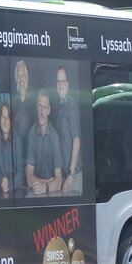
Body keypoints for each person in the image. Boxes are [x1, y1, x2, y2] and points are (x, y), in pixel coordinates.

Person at [25, 90, 64, 196]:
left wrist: (45, 188)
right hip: (36, 191)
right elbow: (29, 179)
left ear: (49, 110)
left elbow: (59, 181)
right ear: (37, 108)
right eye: (40, 106)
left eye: (45, 107)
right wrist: (48, 183)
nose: (42, 112)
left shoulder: (54, 136)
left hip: (52, 193)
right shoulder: (31, 134)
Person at [54, 67, 83, 195]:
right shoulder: (59, 107)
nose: (60, 85)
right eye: (58, 81)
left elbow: (76, 141)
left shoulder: (72, 106)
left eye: (63, 81)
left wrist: (70, 174)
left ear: (67, 84)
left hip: (73, 177)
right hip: (65, 175)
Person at [0, 103, 23, 200]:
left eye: (7, 117)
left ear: (11, 121)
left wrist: (9, 184)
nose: (5, 121)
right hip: (2, 190)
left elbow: (21, 174)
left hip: (16, 192)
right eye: (3, 117)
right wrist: (2, 181)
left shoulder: (17, 139)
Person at [12, 60, 36, 144]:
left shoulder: (34, 99)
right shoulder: (13, 102)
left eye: (22, 75)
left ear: (26, 76)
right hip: (17, 149)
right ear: (16, 78)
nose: (20, 79)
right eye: (18, 76)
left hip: (31, 149)